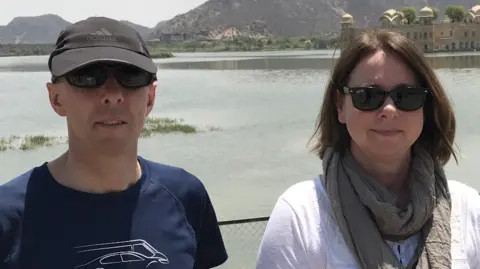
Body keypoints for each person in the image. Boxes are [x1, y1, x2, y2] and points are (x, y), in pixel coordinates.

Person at [0, 17, 227, 269]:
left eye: (130, 76)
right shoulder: (8, 215)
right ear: (56, 98)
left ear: (150, 98)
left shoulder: (186, 197)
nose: (112, 95)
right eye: (87, 77)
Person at [256, 29, 480, 269]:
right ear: (340, 106)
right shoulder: (301, 216)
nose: (389, 110)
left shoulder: (467, 208)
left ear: (426, 108)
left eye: (407, 96)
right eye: (368, 96)